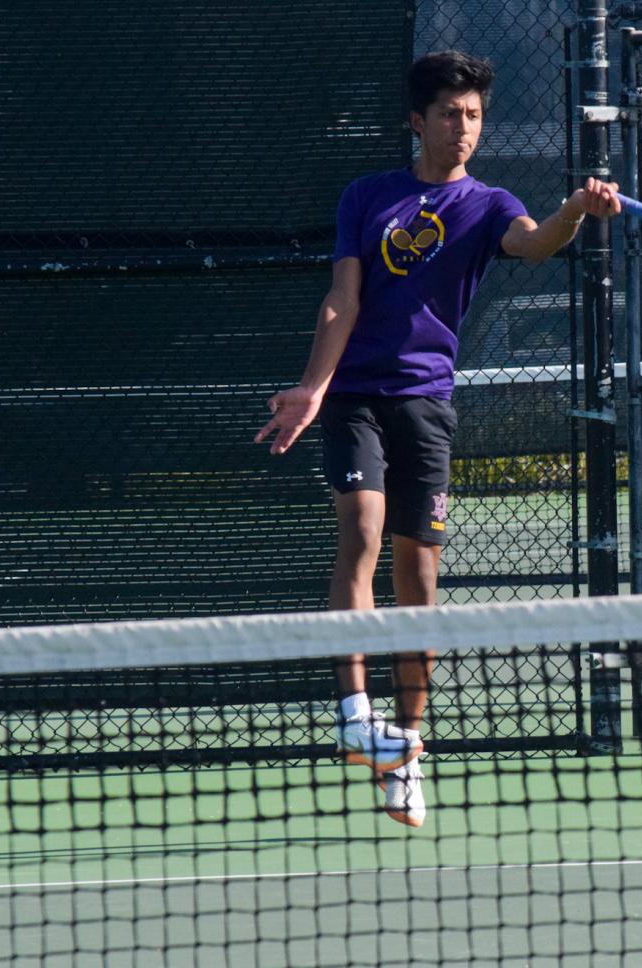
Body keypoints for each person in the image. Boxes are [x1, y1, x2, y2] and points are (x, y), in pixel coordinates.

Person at [254, 50, 619, 829]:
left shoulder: (488, 205)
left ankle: (408, 753)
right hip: (355, 395)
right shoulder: (367, 196)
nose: (465, 128)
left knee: (418, 582)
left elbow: (534, 242)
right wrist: (314, 389)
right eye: (451, 114)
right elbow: (340, 300)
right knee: (360, 532)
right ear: (416, 122)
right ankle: (354, 715)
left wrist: (576, 213)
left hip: (426, 403)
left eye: (475, 116)